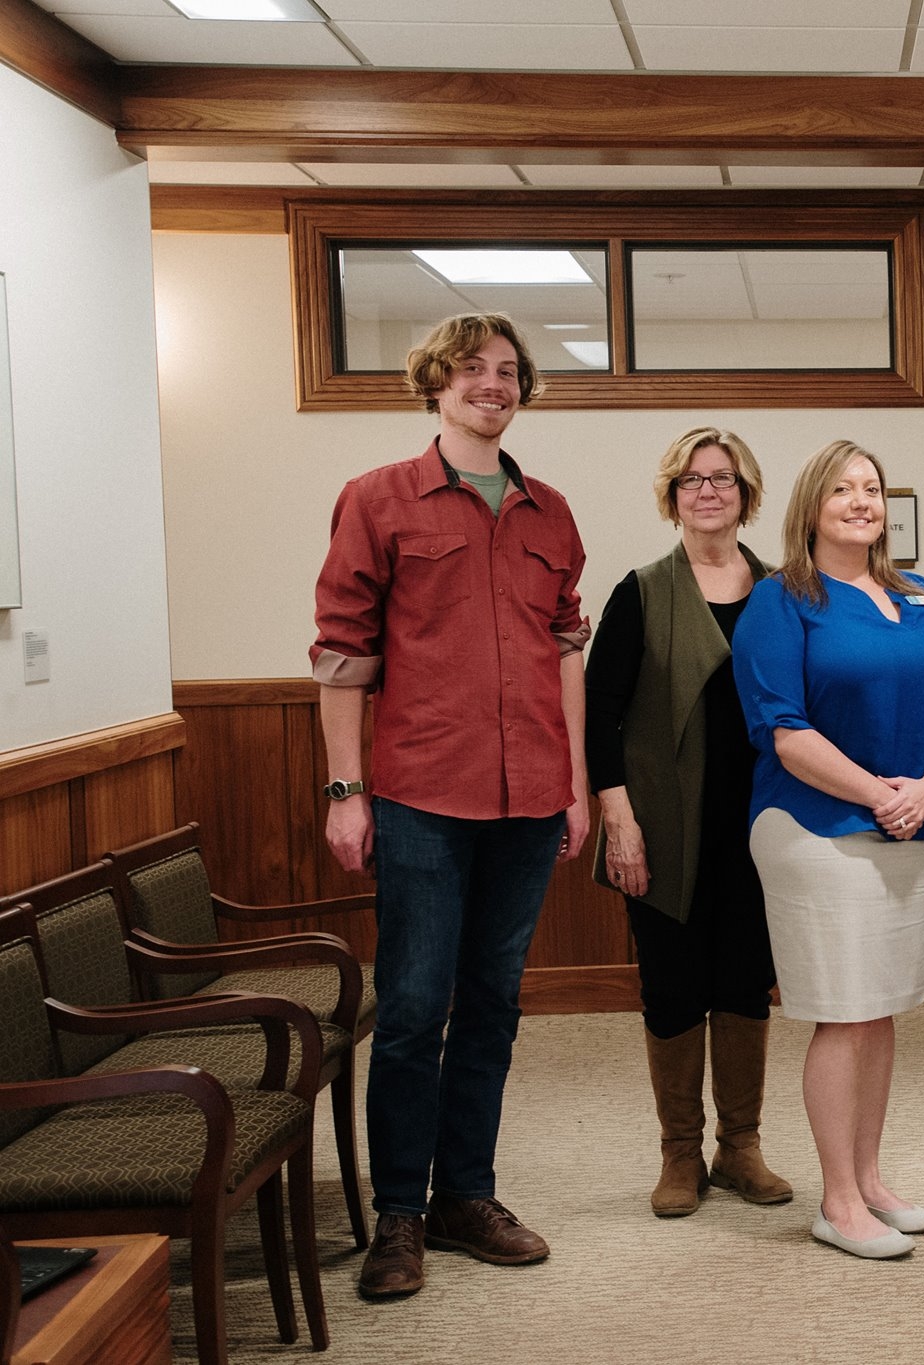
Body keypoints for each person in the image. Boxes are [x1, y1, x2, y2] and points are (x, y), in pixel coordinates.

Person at [311, 312, 590, 1300]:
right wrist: (347, 792)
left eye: (509, 371)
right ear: (435, 383)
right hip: (420, 799)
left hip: (527, 805)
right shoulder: (378, 500)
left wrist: (576, 785)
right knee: (414, 1009)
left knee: (493, 1008)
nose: (493, 383)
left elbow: (566, 658)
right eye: (473, 369)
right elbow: (342, 659)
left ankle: (465, 1196)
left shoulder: (549, 513)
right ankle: (398, 1216)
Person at [734, 439, 924, 1261]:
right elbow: (783, 728)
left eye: (871, 487)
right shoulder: (782, 600)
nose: (859, 500)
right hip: (815, 828)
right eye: (841, 487)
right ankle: (836, 1200)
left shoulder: (923, 594)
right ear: (811, 505)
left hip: (917, 826)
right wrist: (880, 792)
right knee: (843, 1013)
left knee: (879, 1011)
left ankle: (870, 1179)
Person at [584, 426, 790, 1219]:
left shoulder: (781, 590)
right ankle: (679, 1153)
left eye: (724, 479)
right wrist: (619, 823)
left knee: (745, 983)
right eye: (692, 480)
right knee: (672, 985)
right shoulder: (640, 591)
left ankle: (740, 1146)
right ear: (672, 496)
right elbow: (600, 717)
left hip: (761, 826)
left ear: (746, 494)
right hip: (663, 830)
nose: (709, 491)